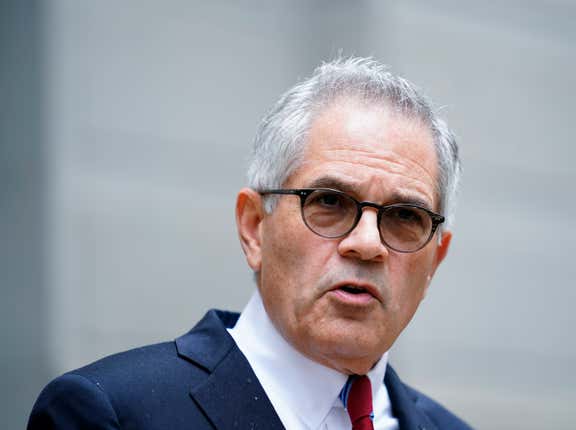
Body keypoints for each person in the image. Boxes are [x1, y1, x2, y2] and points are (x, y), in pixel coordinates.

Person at [28, 57, 472, 430]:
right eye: (330, 201)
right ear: (254, 227)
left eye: (404, 217)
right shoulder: (110, 413)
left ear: (435, 259)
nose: (367, 244)